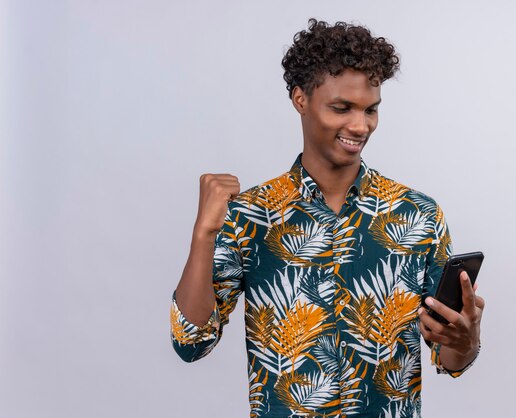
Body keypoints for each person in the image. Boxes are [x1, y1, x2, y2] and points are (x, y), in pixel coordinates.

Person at [170, 18, 485, 418]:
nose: (360, 125)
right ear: (300, 99)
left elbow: (451, 358)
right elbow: (190, 341)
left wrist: (467, 336)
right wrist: (204, 235)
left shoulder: (417, 216)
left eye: (371, 110)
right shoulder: (251, 215)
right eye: (342, 107)